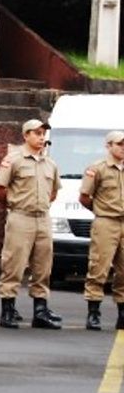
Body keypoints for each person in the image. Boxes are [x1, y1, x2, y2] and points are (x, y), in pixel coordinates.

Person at [0, 119, 62, 330]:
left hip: (43, 217)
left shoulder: (50, 163)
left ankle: (40, 311)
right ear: (26, 135)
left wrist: (40, 205)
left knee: (43, 266)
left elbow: (53, 191)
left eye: (44, 134)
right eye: (37, 133)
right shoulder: (14, 160)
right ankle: (7, 310)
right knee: (13, 264)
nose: (42, 137)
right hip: (21, 216)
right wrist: (16, 205)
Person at [79, 130, 124, 331]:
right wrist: (101, 211)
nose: (122, 148)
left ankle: (122, 313)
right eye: (119, 144)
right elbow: (85, 197)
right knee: (99, 267)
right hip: (106, 222)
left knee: (123, 271)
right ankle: (94, 312)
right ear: (109, 146)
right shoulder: (98, 169)